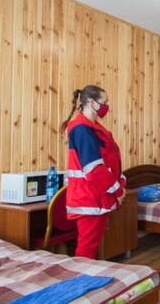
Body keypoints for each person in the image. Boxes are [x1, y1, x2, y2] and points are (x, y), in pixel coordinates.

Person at [61, 85, 126, 259]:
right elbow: (94, 170)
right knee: (87, 247)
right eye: (104, 102)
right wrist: (118, 191)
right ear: (91, 102)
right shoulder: (81, 129)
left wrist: (120, 182)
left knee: (91, 244)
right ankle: (81, 275)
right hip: (88, 197)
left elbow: (110, 162)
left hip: (97, 195)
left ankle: (87, 273)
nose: (107, 106)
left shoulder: (94, 128)